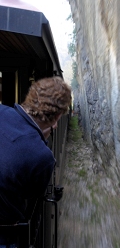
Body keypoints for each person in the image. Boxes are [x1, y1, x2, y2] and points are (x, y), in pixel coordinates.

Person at [0, 76, 71, 247]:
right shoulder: (42, 156)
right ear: (58, 116)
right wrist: (40, 139)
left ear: (30, 96)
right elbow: (31, 194)